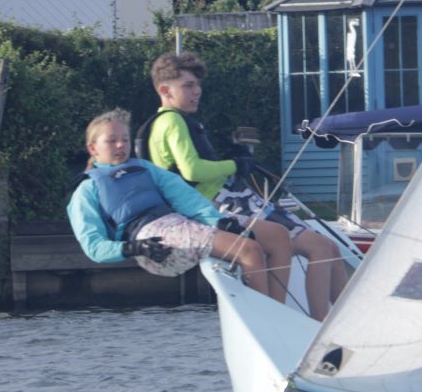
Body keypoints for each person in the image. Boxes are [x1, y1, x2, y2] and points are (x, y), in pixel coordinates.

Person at [146, 51, 348, 320]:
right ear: (164, 90)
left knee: (328, 248)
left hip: (232, 196)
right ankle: (312, 325)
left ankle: (349, 324)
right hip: (220, 201)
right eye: (188, 86)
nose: (197, 92)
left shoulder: (170, 122)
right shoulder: (171, 120)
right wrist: (235, 164)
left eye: (198, 85)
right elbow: (192, 169)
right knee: (320, 248)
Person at [67, 109, 277, 301]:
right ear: (93, 148)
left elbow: (185, 197)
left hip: (178, 223)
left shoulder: (143, 168)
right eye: (112, 141)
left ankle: (282, 315)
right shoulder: (86, 190)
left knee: (277, 237)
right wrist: (133, 248)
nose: (121, 145)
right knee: (249, 250)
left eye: (125, 139)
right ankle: (268, 323)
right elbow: (93, 246)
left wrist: (219, 222)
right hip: (154, 246)